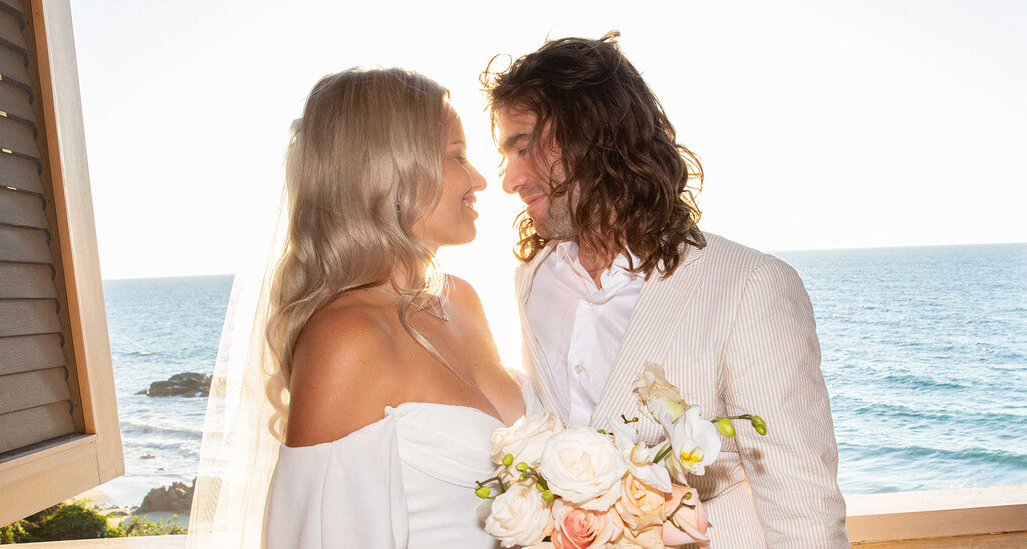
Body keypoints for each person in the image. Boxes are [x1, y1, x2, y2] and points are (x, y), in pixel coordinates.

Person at [483, 34, 849, 548]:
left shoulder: (748, 286)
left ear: (592, 135)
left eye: (523, 147)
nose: (510, 179)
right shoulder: (533, 282)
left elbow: (802, 504)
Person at [259, 68, 530, 548]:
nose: (480, 179)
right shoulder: (345, 339)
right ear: (394, 177)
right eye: (458, 157)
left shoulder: (461, 298)